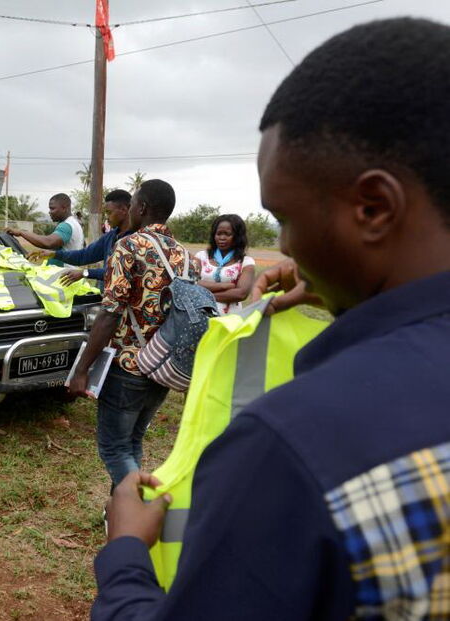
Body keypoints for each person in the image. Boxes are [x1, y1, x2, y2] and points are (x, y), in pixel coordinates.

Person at [93, 18, 450, 619]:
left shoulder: (291, 446)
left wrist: (126, 551)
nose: (284, 246)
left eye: (284, 217)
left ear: (373, 208)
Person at [68, 180, 195, 487]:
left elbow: (110, 314)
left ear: (141, 208)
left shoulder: (129, 246)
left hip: (129, 365)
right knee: (134, 441)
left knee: (114, 448)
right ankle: (121, 513)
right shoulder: (185, 255)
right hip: (164, 364)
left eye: (134, 202)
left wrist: (82, 369)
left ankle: (136, 508)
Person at [28, 189, 133, 286]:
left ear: (123, 210)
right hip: (108, 299)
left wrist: (85, 272)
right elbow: (84, 256)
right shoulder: (110, 237)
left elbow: (119, 273)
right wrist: (54, 254)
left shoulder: (136, 240)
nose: (107, 217)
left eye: (109, 213)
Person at [194, 214, 256, 314]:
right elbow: (192, 283)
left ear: (238, 237)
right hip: (200, 316)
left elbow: (241, 293)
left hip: (229, 320)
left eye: (227, 234)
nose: (222, 238)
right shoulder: (201, 257)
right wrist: (224, 286)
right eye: (218, 234)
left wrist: (204, 295)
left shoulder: (246, 262)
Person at [6, 193, 84, 266]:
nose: (50, 212)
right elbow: (61, 249)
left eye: (52, 208)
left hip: (63, 274)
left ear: (64, 208)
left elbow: (48, 242)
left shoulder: (66, 226)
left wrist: (21, 232)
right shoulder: (74, 223)